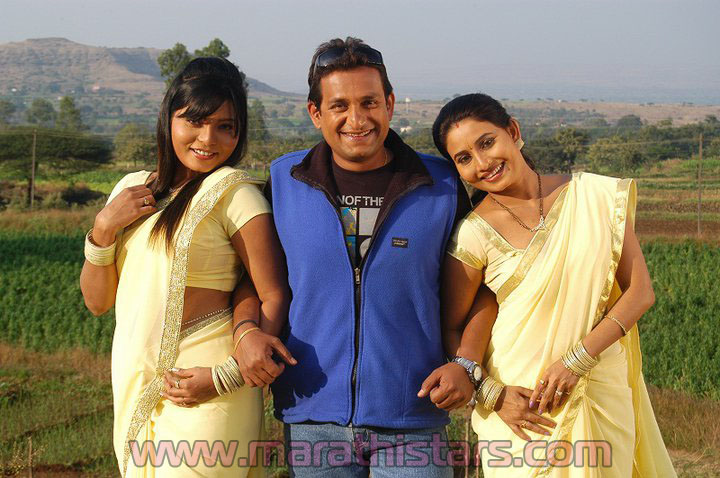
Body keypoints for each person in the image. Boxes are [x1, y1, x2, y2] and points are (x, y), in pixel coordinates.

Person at [430, 93, 677, 477]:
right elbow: (452, 328)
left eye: (487, 142)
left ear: (513, 131)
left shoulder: (593, 197)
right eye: (464, 158)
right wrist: (491, 394)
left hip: (598, 388)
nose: (482, 163)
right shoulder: (472, 235)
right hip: (522, 411)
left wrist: (576, 361)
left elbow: (640, 292)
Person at [263, 37, 473, 477]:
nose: (356, 120)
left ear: (390, 104)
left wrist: (466, 364)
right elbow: (256, 277)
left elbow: (483, 285)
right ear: (315, 113)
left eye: (369, 102)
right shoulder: (283, 181)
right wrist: (247, 332)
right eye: (339, 105)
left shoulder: (441, 185)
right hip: (313, 416)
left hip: (413, 414)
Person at [80, 57, 292, 478]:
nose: (208, 139)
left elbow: (273, 293)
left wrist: (228, 376)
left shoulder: (236, 195)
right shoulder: (130, 189)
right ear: (168, 118)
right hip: (140, 385)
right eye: (195, 121)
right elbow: (98, 302)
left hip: (207, 392)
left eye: (225, 126)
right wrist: (103, 228)